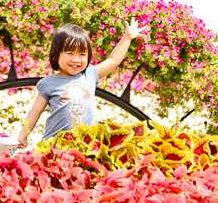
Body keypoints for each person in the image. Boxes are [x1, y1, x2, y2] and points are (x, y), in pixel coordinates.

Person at [17, 21, 147, 148]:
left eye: (82, 54)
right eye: (70, 53)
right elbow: (35, 111)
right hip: (54, 146)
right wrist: (23, 135)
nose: (76, 59)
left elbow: (113, 61)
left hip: (84, 145)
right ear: (56, 54)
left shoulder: (89, 74)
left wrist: (127, 37)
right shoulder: (49, 83)